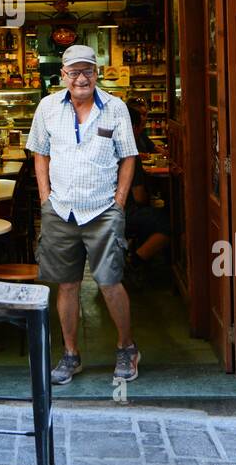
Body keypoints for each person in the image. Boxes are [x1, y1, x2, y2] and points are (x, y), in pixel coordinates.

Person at [26, 44, 141, 385]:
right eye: (74, 72)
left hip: (103, 209)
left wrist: (119, 202)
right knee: (67, 285)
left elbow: (129, 156)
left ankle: (126, 347)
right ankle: (70, 354)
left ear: (97, 73)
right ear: (63, 75)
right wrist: (45, 198)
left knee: (109, 282)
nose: (81, 78)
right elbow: (40, 154)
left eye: (87, 71)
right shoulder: (47, 107)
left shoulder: (115, 108)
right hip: (61, 209)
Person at [124, 106, 172, 277]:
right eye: (141, 126)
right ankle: (135, 262)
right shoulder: (130, 154)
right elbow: (139, 197)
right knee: (169, 223)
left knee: (153, 215)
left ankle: (136, 254)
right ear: (134, 127)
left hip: (105, 212)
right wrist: (149, 194)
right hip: (125, 213)